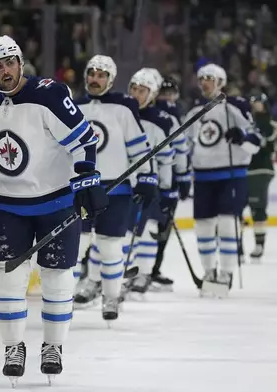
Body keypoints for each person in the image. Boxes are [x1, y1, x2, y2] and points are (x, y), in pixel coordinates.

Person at [0, 35, 108, 386]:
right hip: (9, 208)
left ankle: (53, 346)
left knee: (57, 279)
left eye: (9, 62)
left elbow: (85, 140)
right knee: (10, 280)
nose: (5, 71)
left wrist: (86, 180)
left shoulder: (48, 93)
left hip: (55, 204)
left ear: (20, 62)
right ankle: (12, 347)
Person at [72, 55, 157, 321]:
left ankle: (110, 297)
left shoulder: (123, 110)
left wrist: (146, 178)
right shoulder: (73, 108)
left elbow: (139, 151)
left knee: (110, 248)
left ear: (110, 79)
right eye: (92, 74)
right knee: (75, 247)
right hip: (82, 189)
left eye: (101, 75)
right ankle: (63, 299)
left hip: (116, 190)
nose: (95, 79)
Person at [183, 63, 260, 297]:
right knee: (203, 226)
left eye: (210, 78)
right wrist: (182, 174)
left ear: (220, 82)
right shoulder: (194, 111)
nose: (204, 82)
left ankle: (226, 272)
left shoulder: (236, 106)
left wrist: (241, 137)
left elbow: (256, 142)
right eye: (202, 78)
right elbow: (184, 145)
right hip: (203, 176)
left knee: (228, 224)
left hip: (231, 174)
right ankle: (209, 272)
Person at [123, 68, 177, 296]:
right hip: (123, 182)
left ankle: (144, 274)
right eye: (133, 89)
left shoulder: (160, 121)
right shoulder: (121, 113)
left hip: (148, 183)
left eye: (142, 90)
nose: (136, 94)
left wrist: (167, 188)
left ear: (152, 94)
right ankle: (126, 274)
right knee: (124, 232)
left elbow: (165, 159)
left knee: (148, 231)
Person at [151, 76, 191, 290]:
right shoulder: (171, 115)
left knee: (156, 227)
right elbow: (181, 148)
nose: (167, 99)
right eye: (163, 94)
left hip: (156, 178)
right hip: (165, 180)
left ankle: (148, 269)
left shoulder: (144, 111)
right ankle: (149, 270)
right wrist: (184, 177)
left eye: (170, 94)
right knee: (158, 227)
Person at [246, 93, 277, 262]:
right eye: (254, 103)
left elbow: (266, 135)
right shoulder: (245, 121)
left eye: (259, 102)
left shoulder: (271, 124)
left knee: (258, 209)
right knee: (235, 209)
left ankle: (259, 246)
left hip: (261, 169)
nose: (255, 105)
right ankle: (236, 246)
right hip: (243, 169)